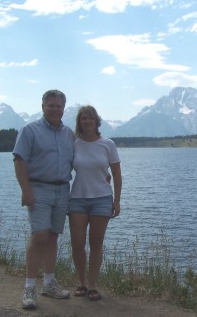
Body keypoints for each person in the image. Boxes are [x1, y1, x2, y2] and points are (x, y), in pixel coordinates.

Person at [13, 89, 74, 310]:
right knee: (39, 236)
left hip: (62, 189)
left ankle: (48, 283)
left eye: (59, 106)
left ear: (63, 108)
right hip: (39, 188)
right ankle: (29, 286)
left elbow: (80, 159)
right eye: (51, 105)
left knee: (52, 236)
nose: (55, 109)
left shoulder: (69, 134)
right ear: (42, 106)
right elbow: (19, 161)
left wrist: (102, 173)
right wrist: (25, 190)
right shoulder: (30, 130)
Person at [68, 105, 122, 301]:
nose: (87, 121)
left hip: (101, 199)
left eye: (90, 118)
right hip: (78, 199)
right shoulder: (74, 143)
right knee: (77, 244)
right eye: (83, 118)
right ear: (79, 122)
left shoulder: (108, 144)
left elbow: (116, 174)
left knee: (96, 243)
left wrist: (116, 201)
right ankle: (82, 282)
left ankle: (92, 285)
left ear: (97, 121)